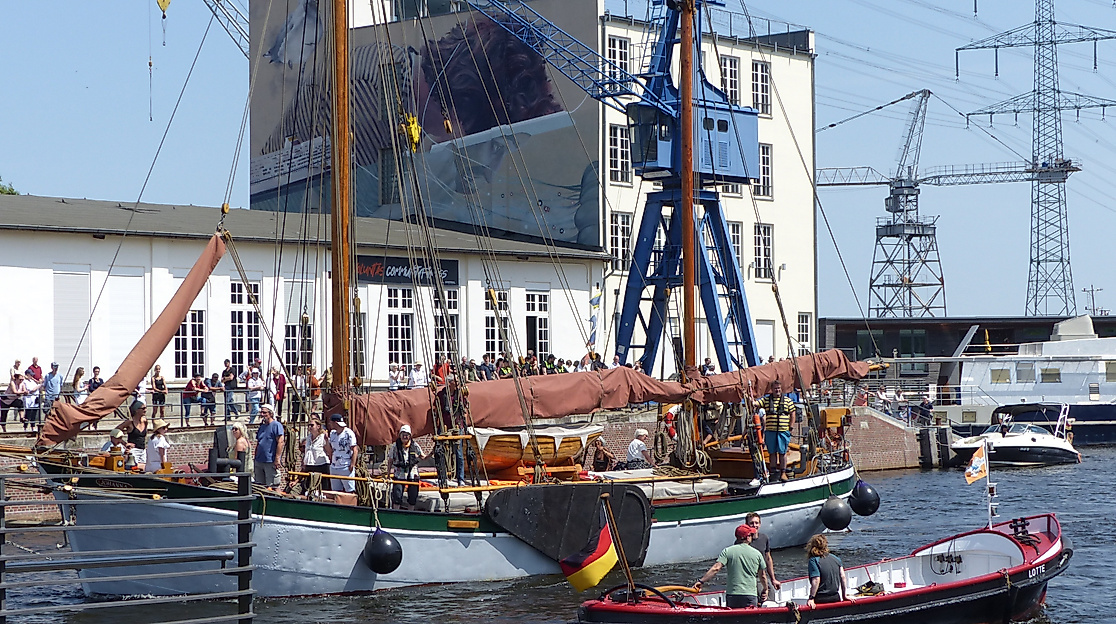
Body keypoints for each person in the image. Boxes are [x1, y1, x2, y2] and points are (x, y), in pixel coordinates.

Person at [694, 523, 768, 608]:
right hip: (750, 595)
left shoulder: (727, 551)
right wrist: (765, 589)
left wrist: (701, 581)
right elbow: (762, 576)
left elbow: (716, 568)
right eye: (751, 535)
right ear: (747, 537)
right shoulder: (757, 554)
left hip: (733, 595)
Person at [758, 380, 796, 482]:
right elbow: (756, 404)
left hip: (783, 431)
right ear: (772, 389)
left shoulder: (787, 401)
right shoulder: (766, 400)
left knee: (782, 452)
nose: (777, 390)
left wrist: (791, 427)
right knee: (772, 452)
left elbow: (793, 413)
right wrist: (749, 398)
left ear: (781, 389)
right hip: (770, 431)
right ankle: (774, 473)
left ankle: (783, 473)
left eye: (778, 388)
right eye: (775, 388)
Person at [383, 424, 427, 510]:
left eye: (407, 435)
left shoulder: (415, 446)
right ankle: (396, 512)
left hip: (412, 474)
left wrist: (432, 453)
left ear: (410, 436)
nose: (405, 436)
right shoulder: (395, 447)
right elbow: (390, 461)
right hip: (400, 474)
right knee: (397, 495)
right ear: (400, 435)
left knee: (413, 496)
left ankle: (411, 513)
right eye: (403, 434)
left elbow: (423, 457)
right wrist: (388, 474)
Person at [438, 375, 470, 485]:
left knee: (459, 454)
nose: (457, 383)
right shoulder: (441, 395)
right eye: (455, 381)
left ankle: (460, 479)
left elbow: (465, 409)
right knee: (442, 452)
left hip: (457, 426)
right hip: (444, 427)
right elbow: (436, 410)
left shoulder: (460, 395)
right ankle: (443, 478)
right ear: (450, 383)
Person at [805, 534, 851, 607]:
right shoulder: (836, 559)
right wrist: (844, 595)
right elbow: (843, 577)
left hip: (821, 598)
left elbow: (816, 580)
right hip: (835, 597)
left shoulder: (813, 560)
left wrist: (811, 598)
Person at [744, 513, 781, 591]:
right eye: (751, 523)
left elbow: (768, 558)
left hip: (763, 576)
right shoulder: (743, 541)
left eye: (756, 523)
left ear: (760, 524)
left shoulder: (764, 538)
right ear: (746, 525)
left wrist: (773, 579)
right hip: (749, 579)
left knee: (771, 595)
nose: (754, 525)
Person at [254, 404, 285, 490]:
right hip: (259, 460)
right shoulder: (262, 427)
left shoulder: (276, 425)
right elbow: (258, 442)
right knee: (259, 486)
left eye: (264, 412)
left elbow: (280, 441)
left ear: (271, 414)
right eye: (261, 412)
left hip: (270, 460)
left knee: (274, 485)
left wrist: (277, 458)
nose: (262, 414)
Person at [328, 413, 359, 493]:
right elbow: (331, 449)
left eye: (331, 422)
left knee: (350, 490)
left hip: (346, 466)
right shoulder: (332, 434)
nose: (329, 424)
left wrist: (352, 463)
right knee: (336, 491)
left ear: (335, 423)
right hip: (334, 466)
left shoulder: (349, 433)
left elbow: (355, 449)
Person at [300, 416, 331, 488]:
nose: (309, 427)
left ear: (318, 426)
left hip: (321, 465)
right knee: (308, 486)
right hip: (310, 465)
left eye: (312, 425)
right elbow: (307, 451)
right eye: (308, 425)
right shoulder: (308, 438)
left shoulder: (323, 437)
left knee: (323, 487)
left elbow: (329, 451)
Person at [126, 401, 149, 467]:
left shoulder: (145, 421)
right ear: (136, 410)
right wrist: (125, 444)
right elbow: (116, 432)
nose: (145, 410)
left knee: (143, 468)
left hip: (143, 450)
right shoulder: (130, 422)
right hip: (133, 450)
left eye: (146, 408)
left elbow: (145, 434)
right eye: (143, 408)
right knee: (134, 467)